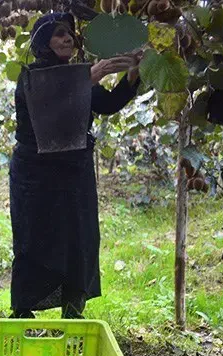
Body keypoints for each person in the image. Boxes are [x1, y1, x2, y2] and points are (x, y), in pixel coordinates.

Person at [8, 12, 142, 319]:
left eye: (69, 32)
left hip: (73, 171)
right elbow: (46, 104)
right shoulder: (29, 76)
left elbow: (106, 105)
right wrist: (88, 77)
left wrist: (132, 73)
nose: (67, 38)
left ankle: (73, 308)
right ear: (43, 42)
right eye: (58, 33)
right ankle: (23, 310)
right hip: (35, 175)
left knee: (78, 237)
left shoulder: (79, 73)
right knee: (34, 238)